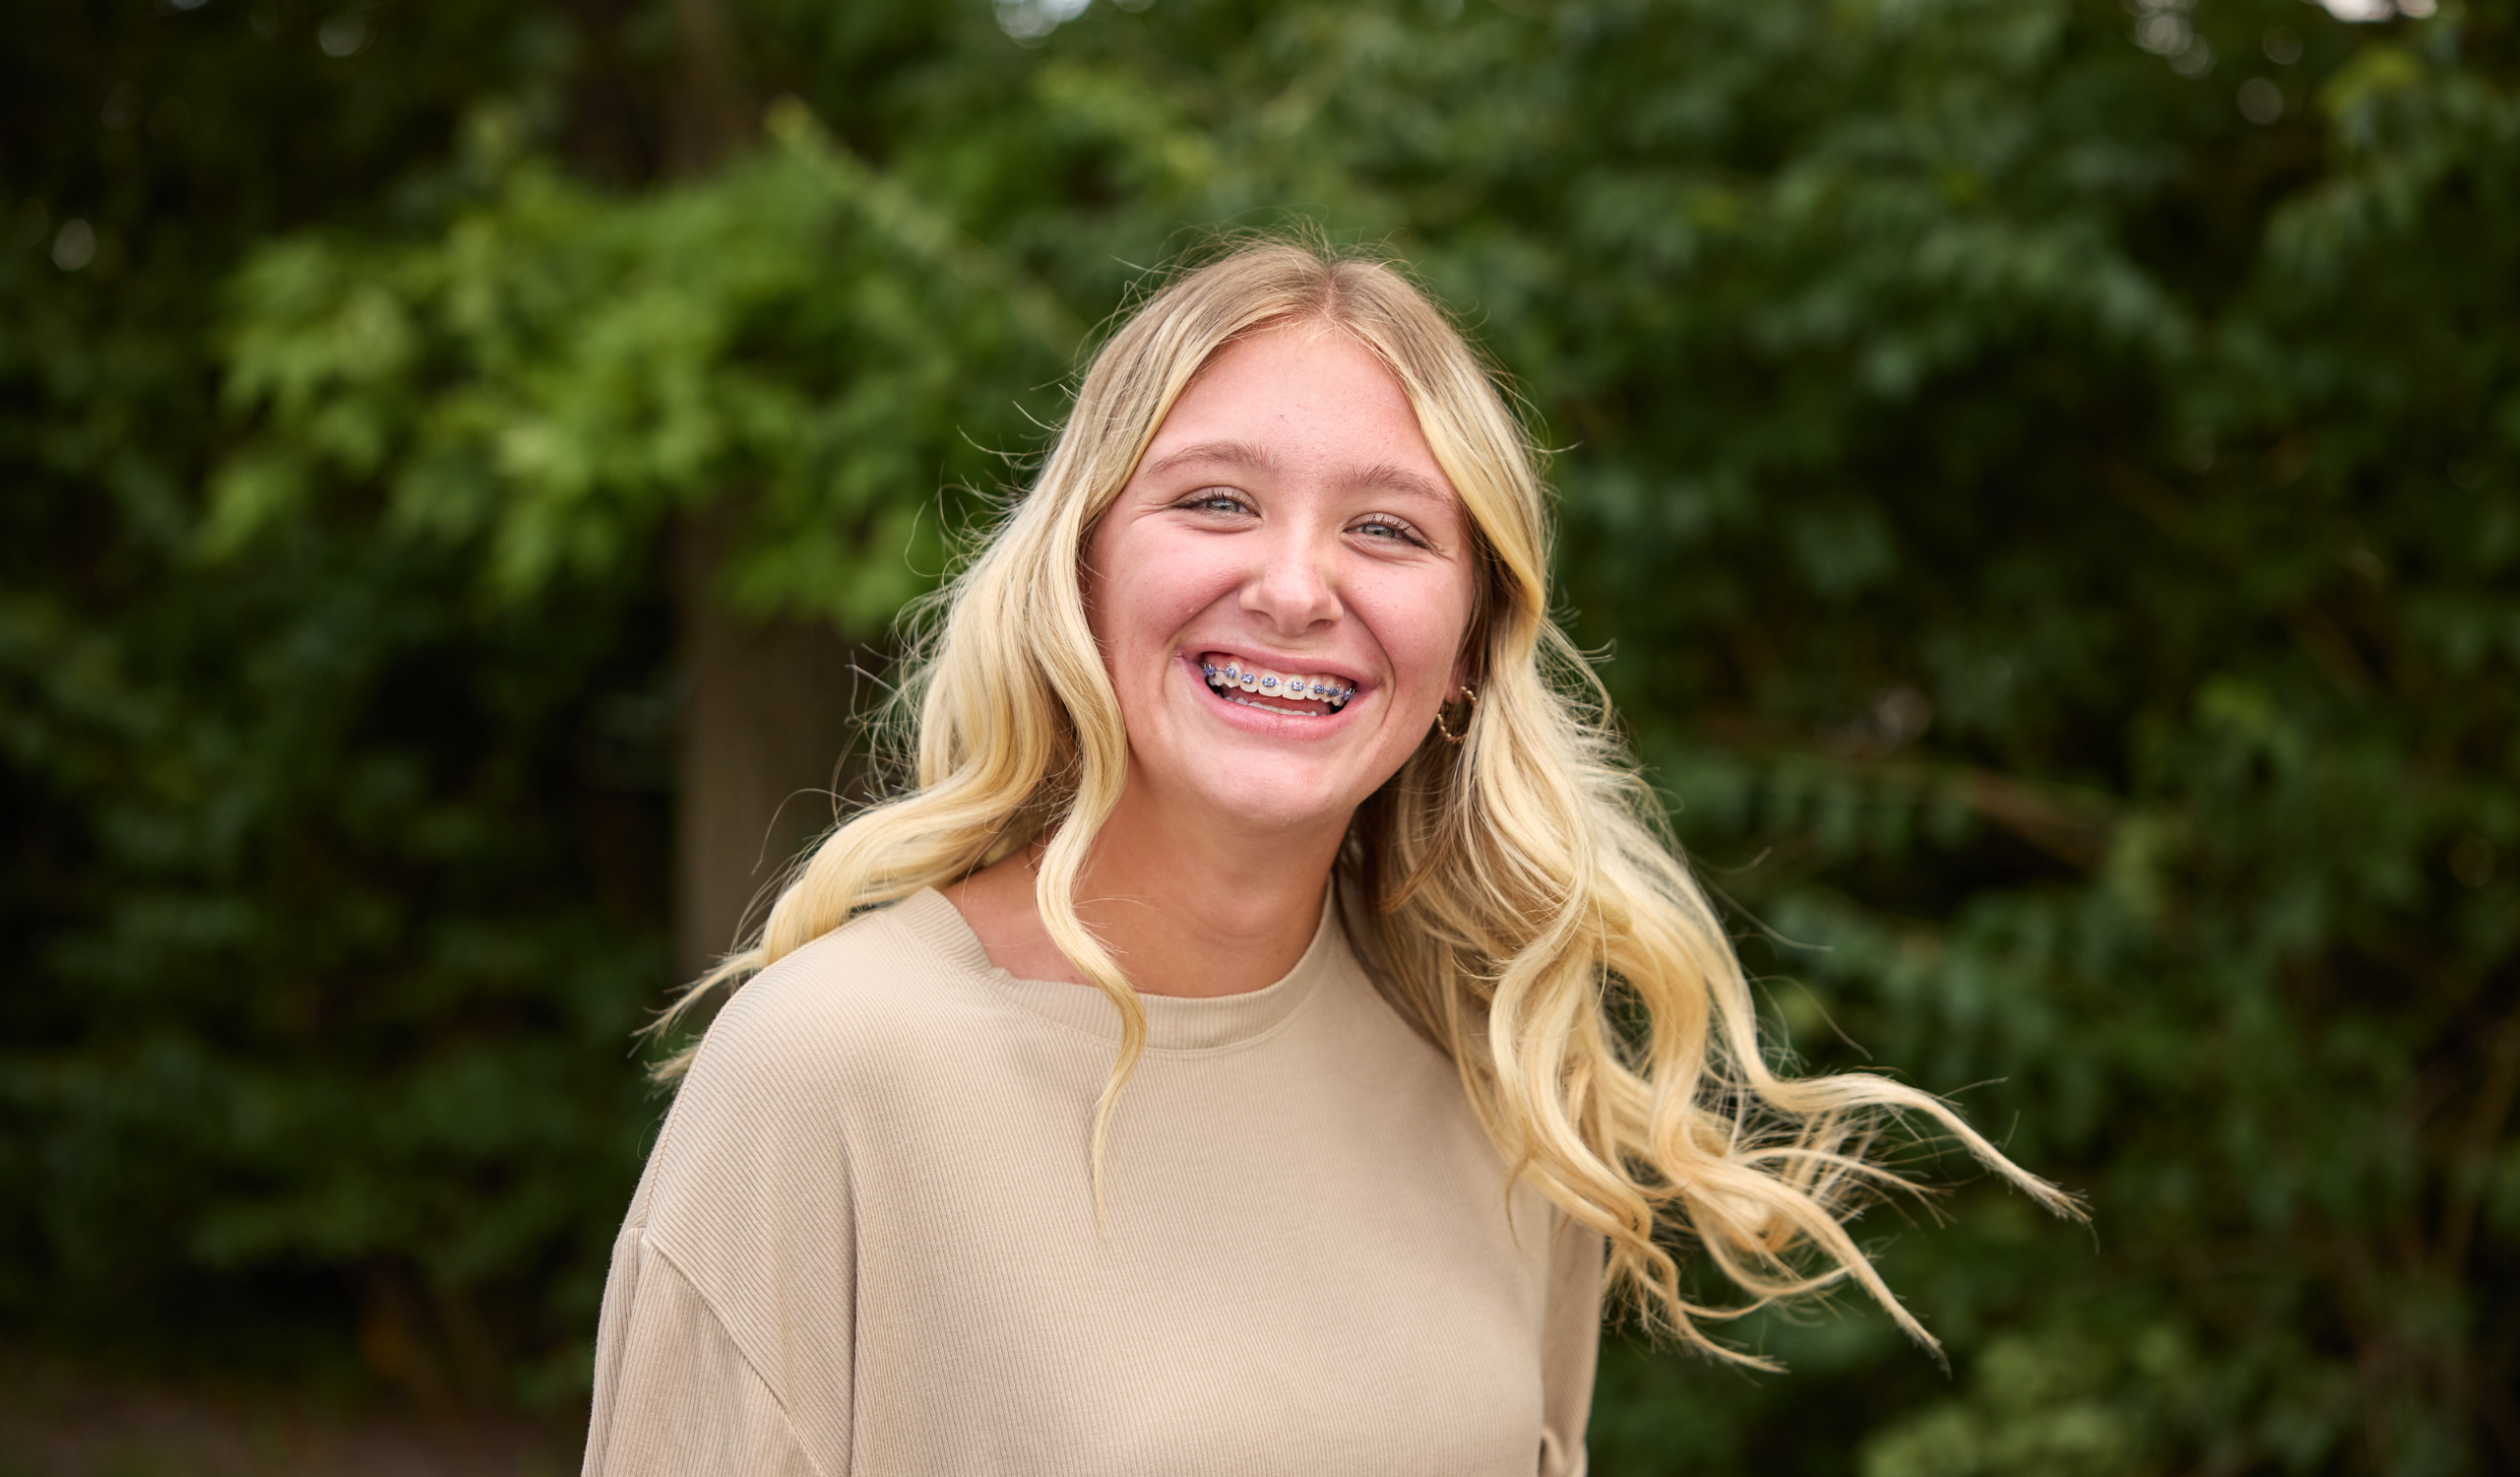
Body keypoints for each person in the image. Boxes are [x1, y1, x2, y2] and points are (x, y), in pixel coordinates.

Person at [580, 238, 2072, 1476]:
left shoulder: (1499, 1076)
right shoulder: (833, 1066)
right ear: (1083, 575)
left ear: (1471, 649)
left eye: (1388, 530)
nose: (1296, 588)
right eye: (1215, 500)